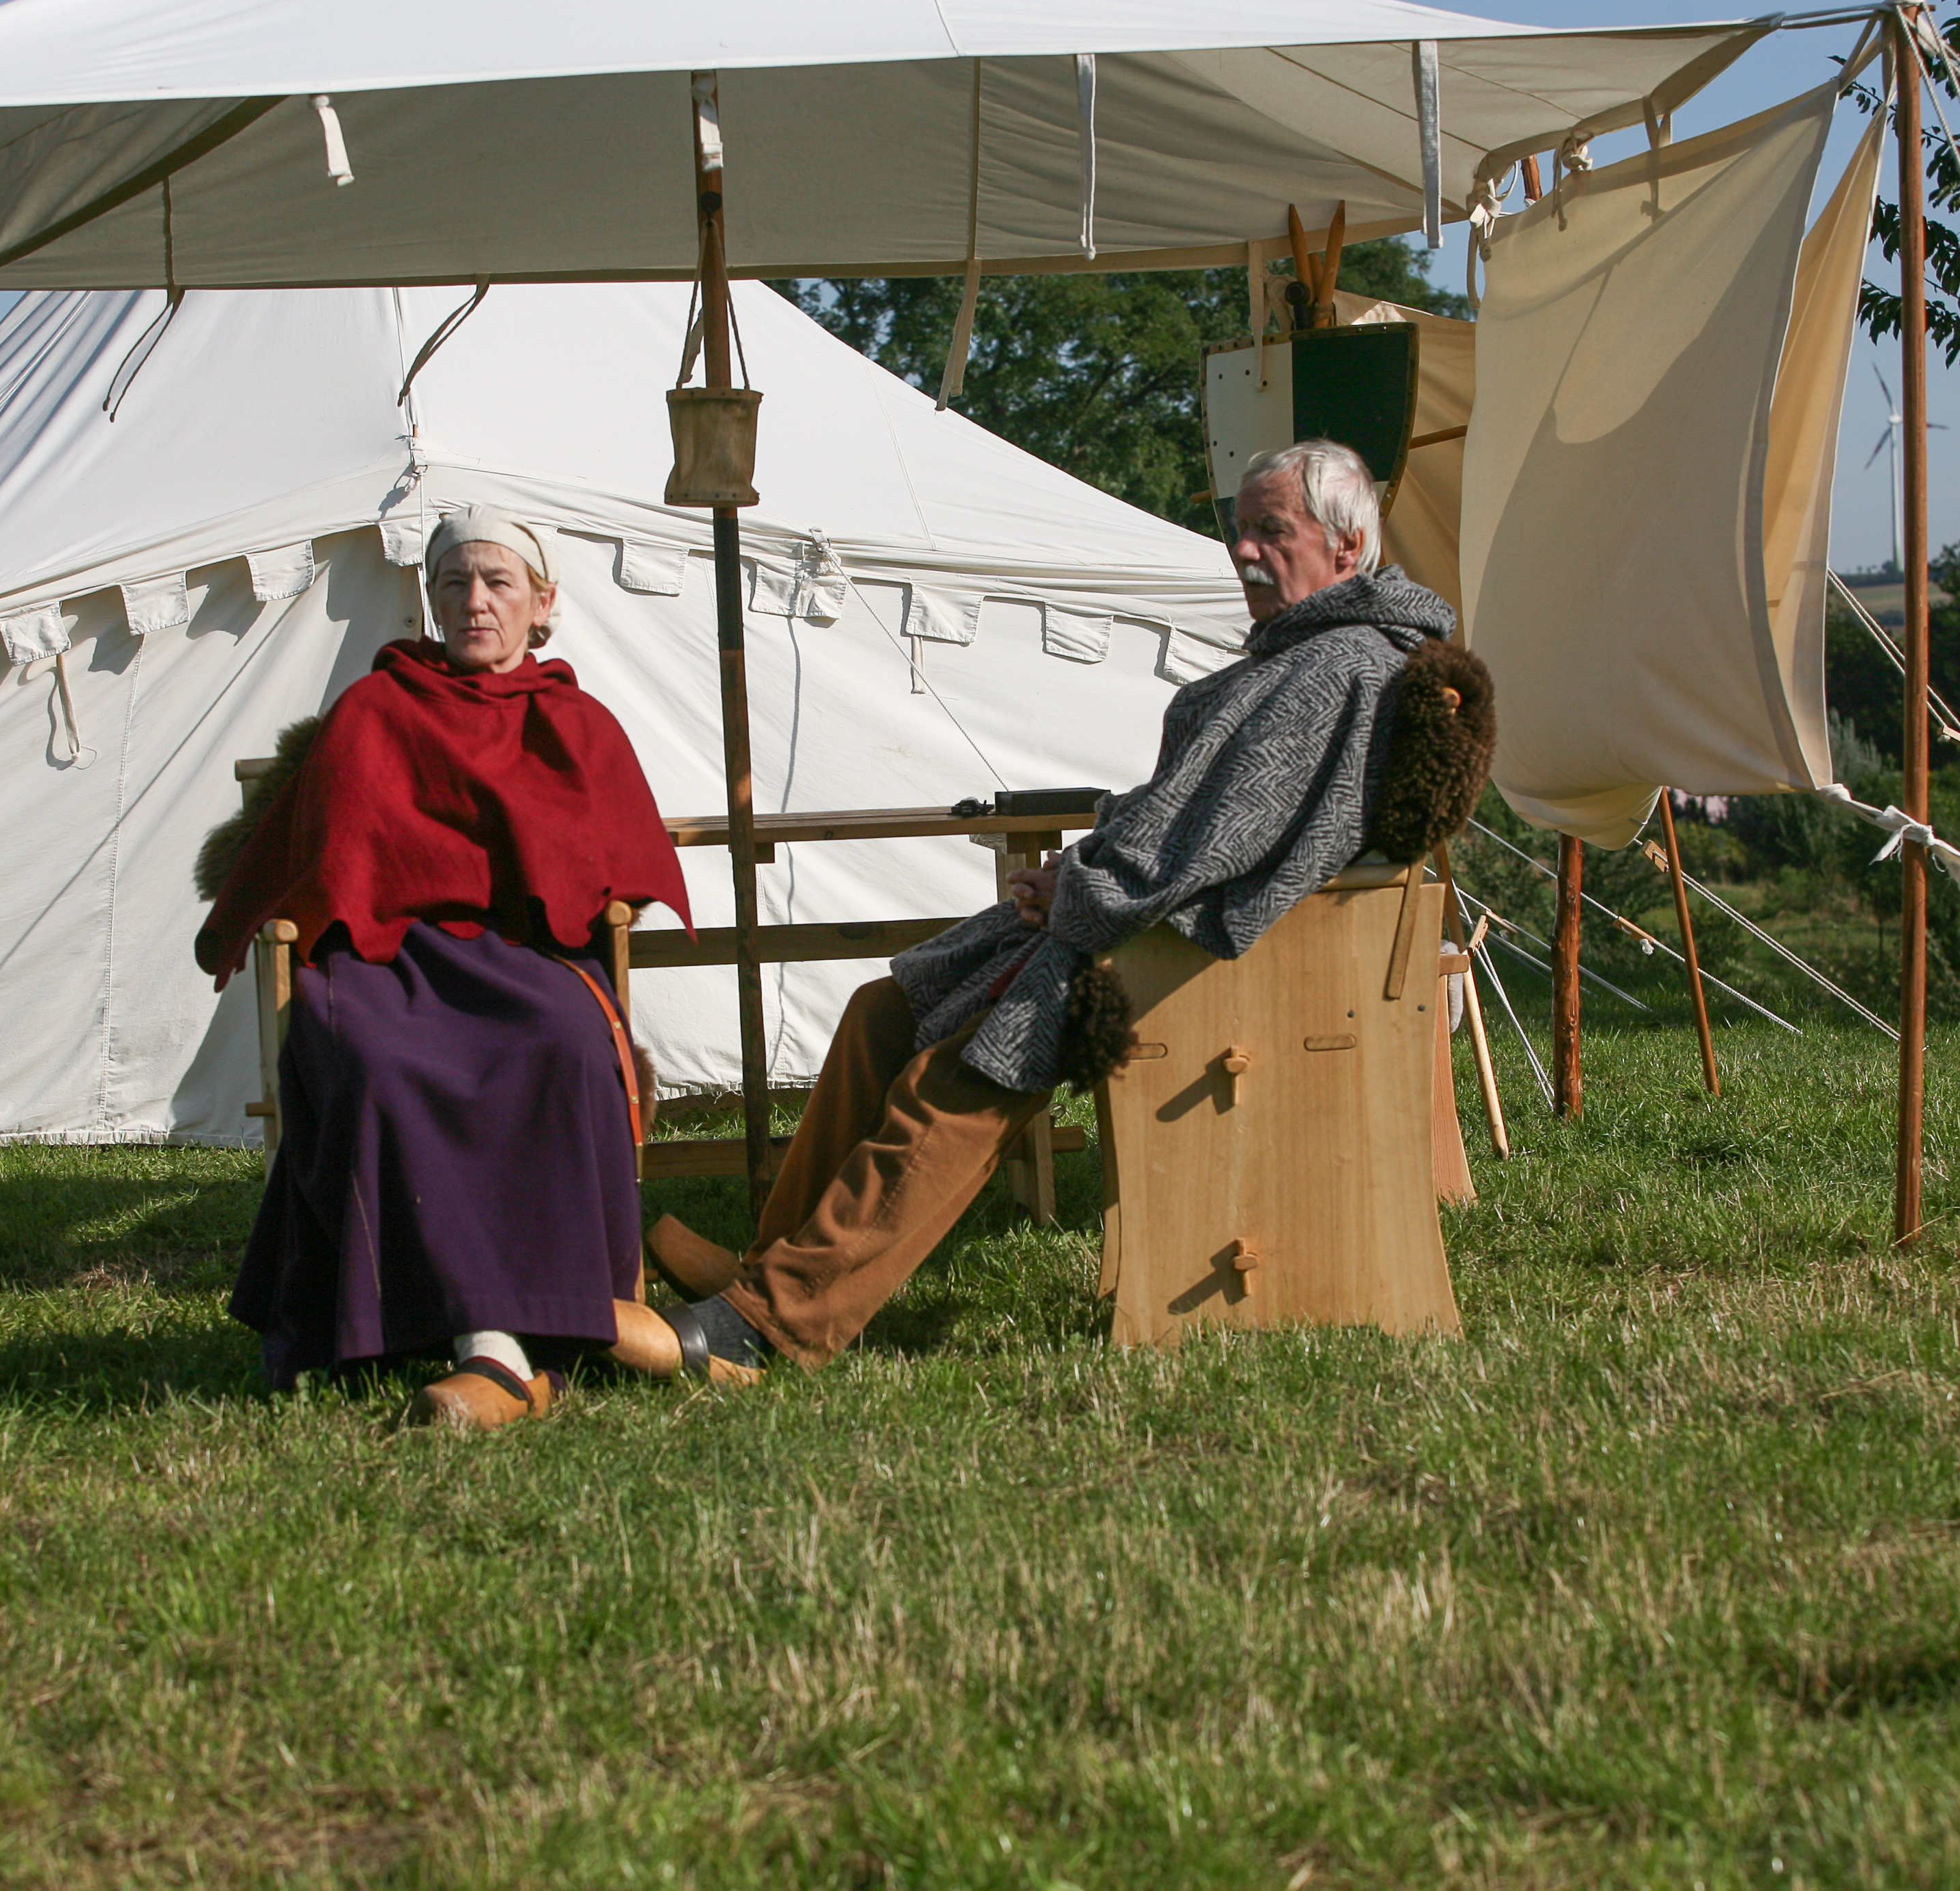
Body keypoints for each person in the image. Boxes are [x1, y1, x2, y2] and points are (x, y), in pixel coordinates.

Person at [636, 439, 1494, 1380]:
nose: (1244, 550)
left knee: (963, 1073)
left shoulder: (1337, 667)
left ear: (1348, 545)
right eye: (1239, 529)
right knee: (884, 1013)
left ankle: (775, 1322)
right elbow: (1211, 819)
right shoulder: (1321, 654)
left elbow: (1215, 837)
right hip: (1153, 916)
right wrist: (1086, 875)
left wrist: (1081, 889)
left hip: (1190, 947)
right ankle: (770, 1269)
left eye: (1271, 531)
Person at [194, 512, 691, 1429]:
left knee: (570, 1043)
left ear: (542, 603)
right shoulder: (376, 708)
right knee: (376, 1061)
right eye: (455, 584)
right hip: (384, 955)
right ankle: (496, 1336)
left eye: (499, 583)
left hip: (530, 956)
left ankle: (554, 1313)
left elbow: (610, 864)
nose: (475, 603)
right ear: (431, 600)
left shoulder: (575, 722)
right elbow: (314, 853)